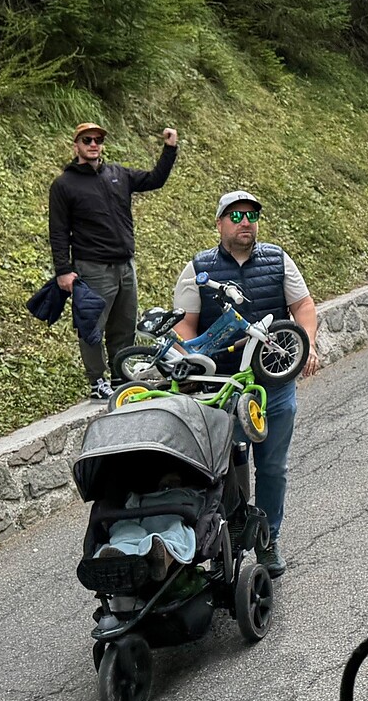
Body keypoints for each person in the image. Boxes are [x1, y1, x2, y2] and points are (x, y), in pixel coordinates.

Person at [172, 189, 319, 574]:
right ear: (219, 223)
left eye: (251, 216)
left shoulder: (277, 259)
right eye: (235, 216)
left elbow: (303, 307)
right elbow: (184, 325)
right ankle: (224, 543)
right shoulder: (198, 268)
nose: (245, 223)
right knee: (223, 472)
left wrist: (308, 345)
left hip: (273, 384)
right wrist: (192, 359)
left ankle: (268, 541)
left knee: (272, 468)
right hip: (220, 388)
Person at [48, 122, 178, 398]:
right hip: (93, 268)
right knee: (91, 327)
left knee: (124, 326)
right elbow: (58, 231)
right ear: (76, 146)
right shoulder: (64, 185)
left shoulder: (118, 174)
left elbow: (155, 179)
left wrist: (169, 149)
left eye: (97, 140)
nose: (93, 144)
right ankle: (97, 381)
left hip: (125, 266)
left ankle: (121, 377)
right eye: (87, 140)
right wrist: (63, 270)